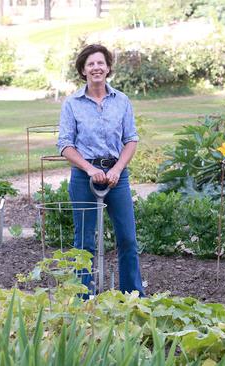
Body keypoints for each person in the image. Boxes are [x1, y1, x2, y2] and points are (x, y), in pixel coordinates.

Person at [57, 44, 145, 297]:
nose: (96, 68)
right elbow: (65, 144)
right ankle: (83, 298)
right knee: (84, 242)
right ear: (83, 71)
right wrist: (88, 168)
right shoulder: (72, 103)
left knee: (127, 238)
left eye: (100, 63)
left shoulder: (122, 101)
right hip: (84, 178)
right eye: (91, 64)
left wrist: (117, 169)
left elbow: (131, 139)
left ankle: (133, 296)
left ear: (108, 68)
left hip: (117, 177)